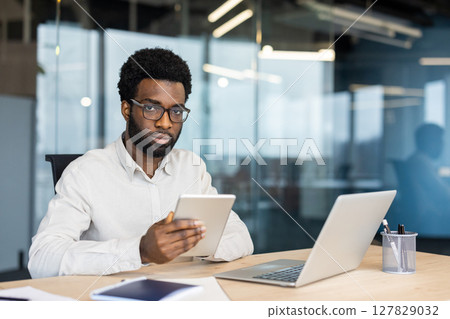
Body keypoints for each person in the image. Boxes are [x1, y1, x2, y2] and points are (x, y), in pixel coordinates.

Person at [28, 48, 253, 278]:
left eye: (176, 110)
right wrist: (141, 250)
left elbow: (241, 237)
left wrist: (193, 246)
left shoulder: (192, 167)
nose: (165, 123)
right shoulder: (85, 173)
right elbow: (41, 259)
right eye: (152, 108)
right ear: (127, 109)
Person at [400, 123, 450, 236]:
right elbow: (444, 194)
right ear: (429, 142)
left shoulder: (415, 160)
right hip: (429, 219)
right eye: (439, 140)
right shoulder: (420, 163)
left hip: (427, 217)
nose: (442, 144)